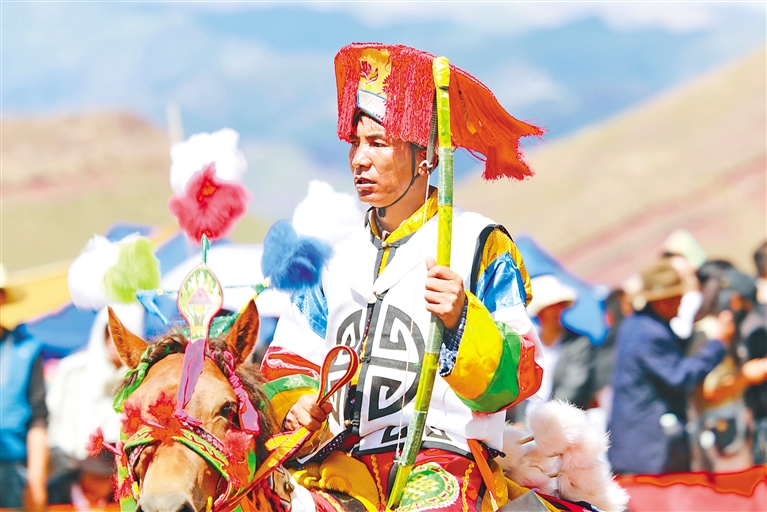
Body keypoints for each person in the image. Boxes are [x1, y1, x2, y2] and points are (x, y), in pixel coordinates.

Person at [260, 43, 545, 511]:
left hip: (443, 458)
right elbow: (287, 359)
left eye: (377, 143)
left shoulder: (478, 243)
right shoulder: (332, 256)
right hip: (342, 462)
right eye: (355, 143)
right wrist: (296, 402)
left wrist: (461, 320)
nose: (359, 159)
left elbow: (521, 375)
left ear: (425, 154)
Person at [608, 257, 734, 475]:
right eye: (676, 298)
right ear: (662, 301)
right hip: (648, 450)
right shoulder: (650, 333)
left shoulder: (639, 324)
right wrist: (718, 343)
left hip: (637, 445)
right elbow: (679, 376)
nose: (680, 303)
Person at [46, 303, 144, 506]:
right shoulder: (73, 371)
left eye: (120, 336)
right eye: (109, 333)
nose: (113, 342)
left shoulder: (145, 382)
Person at [0, 263, 48, 510]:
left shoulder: (26, 349)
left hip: (13, 471)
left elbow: (38, 418)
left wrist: (36, 482)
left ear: (2, 298)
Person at [525, 274, 594, 409]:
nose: (556, 311)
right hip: (526, 415)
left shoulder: (578, 344)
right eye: (551, 307)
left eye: (559, 306)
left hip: (558, 415)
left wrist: (547, 414)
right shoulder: (527, 343)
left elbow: (574, 386)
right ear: (540, 312)